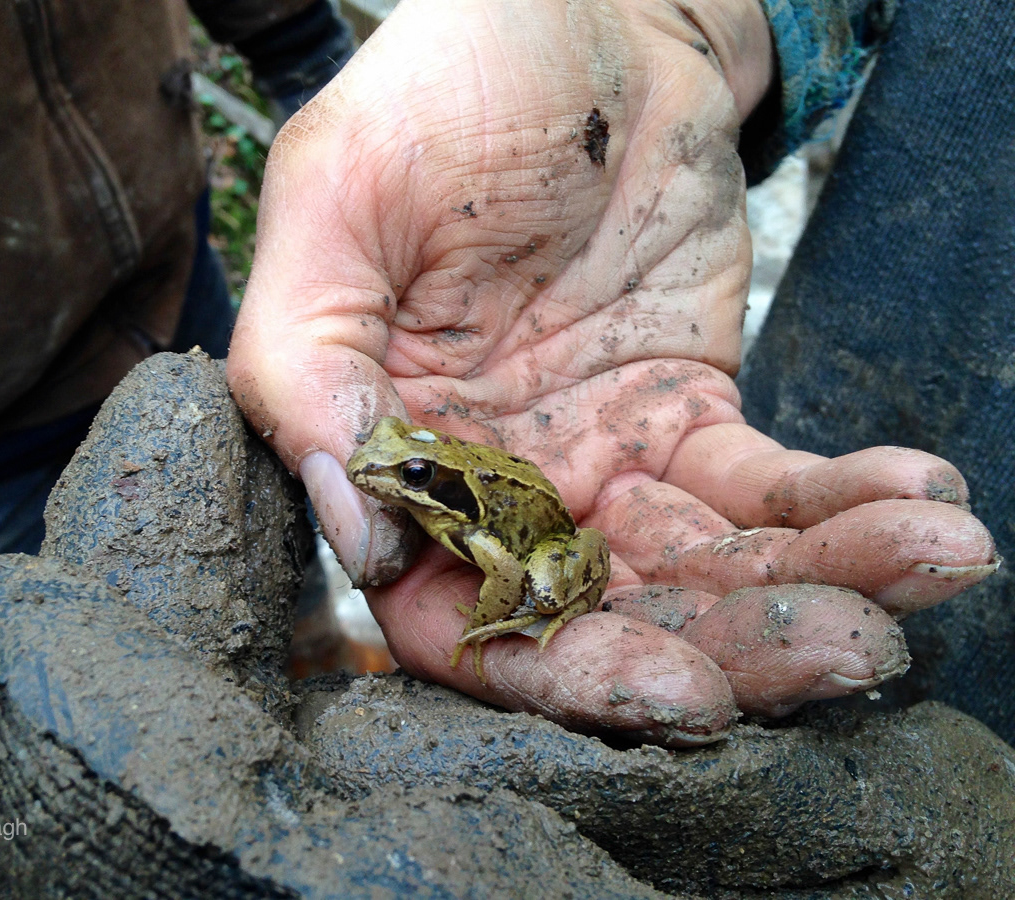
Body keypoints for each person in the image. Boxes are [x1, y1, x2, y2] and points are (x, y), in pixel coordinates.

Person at [225, 0, 1008, 744]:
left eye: (415, 472)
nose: (391, 476)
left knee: (586, 581)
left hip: (551, 534)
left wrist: (498, 620)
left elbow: (505, 571)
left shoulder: (460, 519)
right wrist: (668, 21)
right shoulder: (441, 507)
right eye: (408, 463)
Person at [0, 0, 353, 721]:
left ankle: (327, 672)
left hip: (164, 293)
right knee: (87, 744)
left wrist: (306, 50)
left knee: (287, 601)